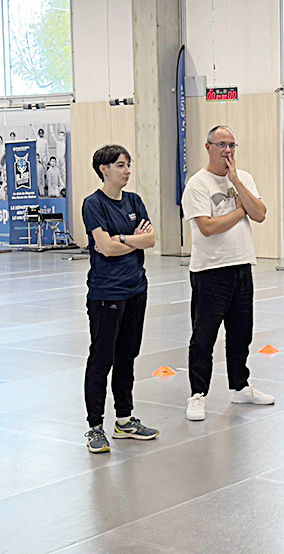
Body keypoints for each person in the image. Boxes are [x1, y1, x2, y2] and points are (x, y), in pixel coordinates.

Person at [180, 125, 274, 421]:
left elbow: (259, 213)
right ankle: (198, 394)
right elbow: (207, 227)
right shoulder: (197, 184)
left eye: (232, 145)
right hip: (210, 271)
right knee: (204, 336)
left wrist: (235, 182)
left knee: (241, 333)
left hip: (241, 265)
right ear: (208, 147)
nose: (228, 151)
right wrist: (239, 212)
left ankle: (240, 386)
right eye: (221, 145)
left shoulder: (243, 178)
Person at [81, 145, 159, 453]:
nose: (127, 170)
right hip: (106, 294)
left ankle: (124, 419)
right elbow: (104, 247)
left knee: (128, 356)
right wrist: (129, 241)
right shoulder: (93, 204)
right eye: (120, 165)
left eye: (129, 165)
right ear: (104, 169)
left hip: (136, 289)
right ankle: (94, 426)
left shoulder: (134, 201)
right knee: (102, 359)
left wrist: (122, 239)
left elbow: (150, 239)